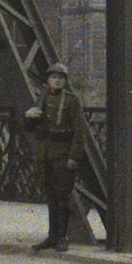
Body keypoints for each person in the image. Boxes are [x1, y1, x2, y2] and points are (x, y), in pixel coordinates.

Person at [22, 62, 85, 252]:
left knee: (62, 196)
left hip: (63, 154)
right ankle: (52, 236)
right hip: (46, 153)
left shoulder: (72, 101)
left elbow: (79, 132)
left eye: (60, 78)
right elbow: (33, 129)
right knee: (51, 196)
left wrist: (73, 157)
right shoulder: (43, 98)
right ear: (48, 80)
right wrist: (28, 116)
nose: (57, 81)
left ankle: (62, 237)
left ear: (65, 81)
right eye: (53, 77)